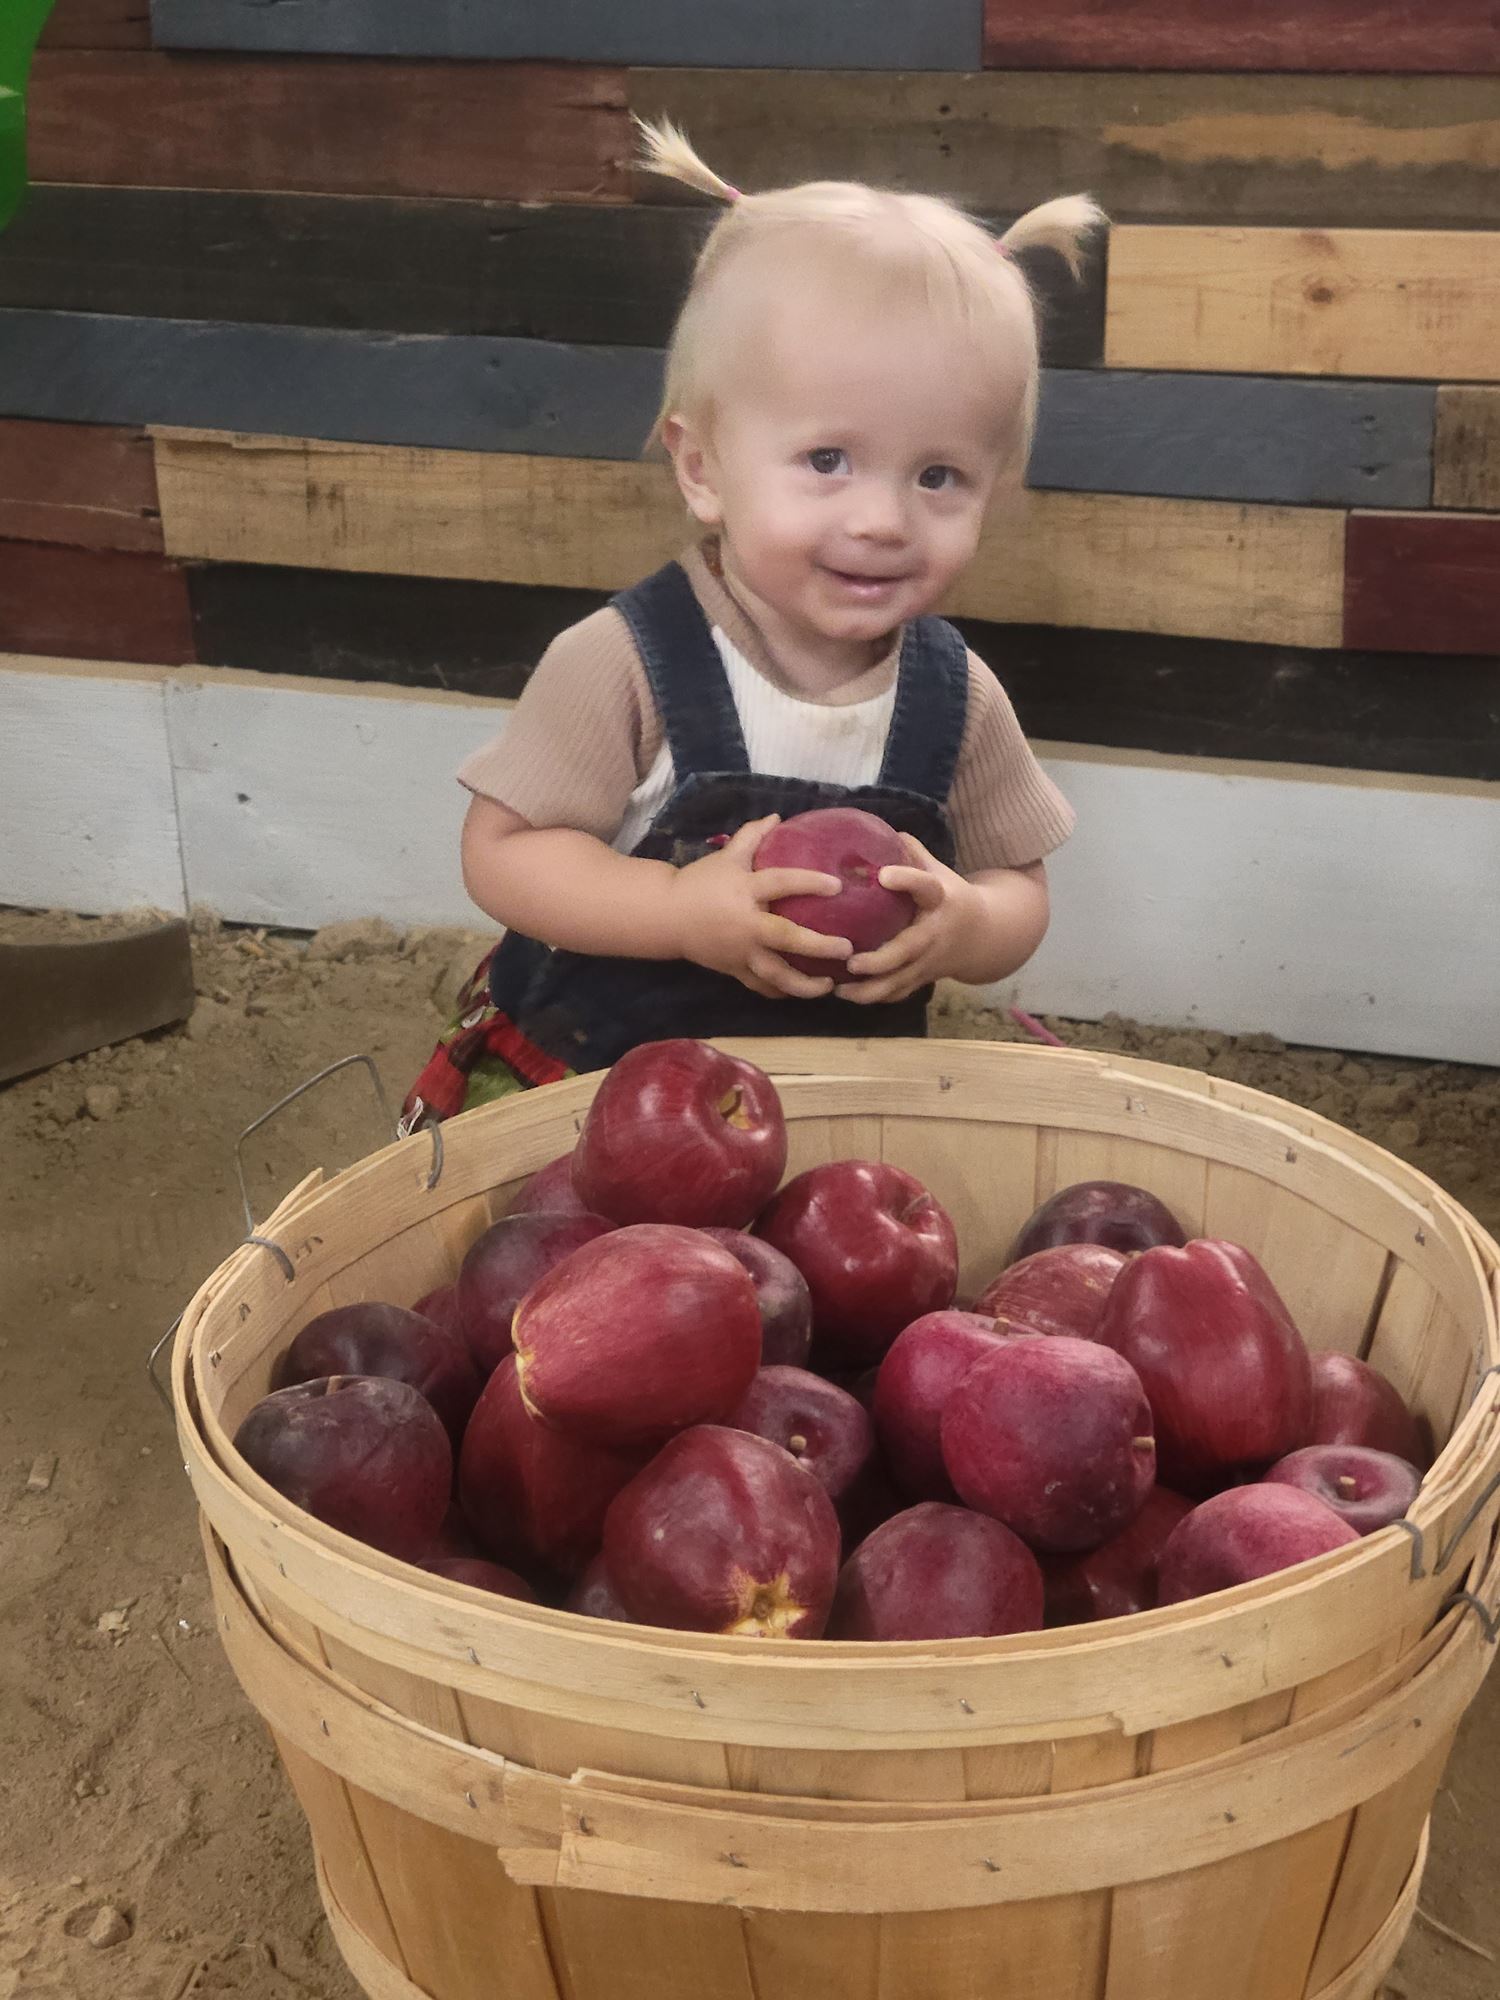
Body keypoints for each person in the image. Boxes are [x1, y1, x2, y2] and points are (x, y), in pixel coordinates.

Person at [402, 121, 1102, 1126]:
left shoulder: (955, 697)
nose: (880, 518)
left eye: (938, 475)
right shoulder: (625, 663)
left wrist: (967, 923)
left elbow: (1018, 885)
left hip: (835, 1123)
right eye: (827, 460)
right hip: (600, 1110)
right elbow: (504, 851)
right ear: (702, 467)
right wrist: (678, 911)